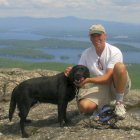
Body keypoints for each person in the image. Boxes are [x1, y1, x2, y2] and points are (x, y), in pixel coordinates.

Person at [65, 24, 131, 119]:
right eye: (93, 35)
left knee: (120, 67)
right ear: (90, 38)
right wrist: (72, 72)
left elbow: (108, 78)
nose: (96, 38)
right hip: (102, 86)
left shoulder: (114, 51)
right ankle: (105, 104)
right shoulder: (86, 53)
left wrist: (88, 80)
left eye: (99, 35)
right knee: (85, 107)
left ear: (105, 35)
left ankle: (119, 102)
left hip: (117, 85)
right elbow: (80, 71)